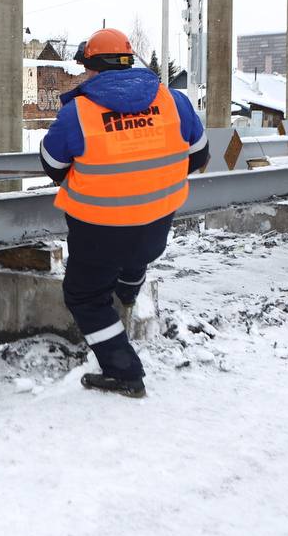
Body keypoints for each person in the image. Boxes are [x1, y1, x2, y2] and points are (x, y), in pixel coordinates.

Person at [40, 28, 208, 398]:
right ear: (128, 60)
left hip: (99, 232)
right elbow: (199, 155)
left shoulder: (79, 113)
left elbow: (52, 164)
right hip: (155, 228)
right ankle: (129, 291)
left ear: (92, 68)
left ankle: (124, 371)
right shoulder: (174, 101)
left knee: (84, 297)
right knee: (135, 255)